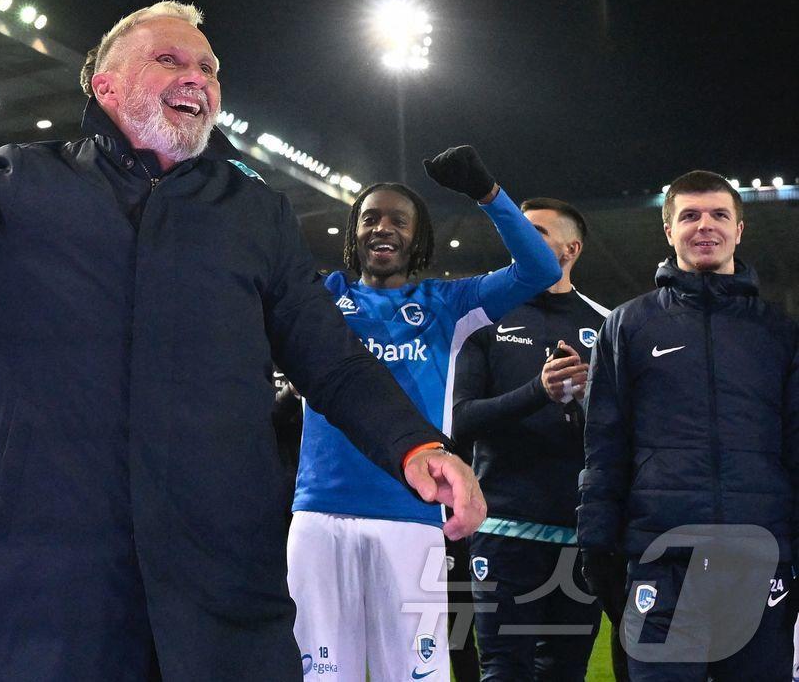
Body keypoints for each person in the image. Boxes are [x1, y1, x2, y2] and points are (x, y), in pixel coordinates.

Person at [0, 0, 483, 680]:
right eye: (171, 59)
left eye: (211, 69)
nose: (199, 78)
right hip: (49, 597)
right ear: (106, 83)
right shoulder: (25, 184)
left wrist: (415, 446)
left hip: (221, 593)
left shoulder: (256, 215)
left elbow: (330, 358)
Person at [288, 157, 560, 681]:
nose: (382, 228)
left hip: (409, 515)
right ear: (354, 233)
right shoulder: (323, 298)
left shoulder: (448, 303)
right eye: (370, 219)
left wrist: (488, 191)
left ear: (418, 238)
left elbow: (541, 270)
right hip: (319, 515)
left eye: (398, 220)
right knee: (317, 676)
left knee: (413, 675)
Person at [579, 170, 799, 681]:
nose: (706, 226)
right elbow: (604, 444)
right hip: (662, 558)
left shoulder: (778, 332)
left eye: (720, 215)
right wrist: (596, 542)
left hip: (758, 560)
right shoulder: (629, 325)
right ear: (668, 229)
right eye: (690, 215)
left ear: (739, 230)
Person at [452, 197, 611, 681]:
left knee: (565, 672)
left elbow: (618, 436)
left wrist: (583, 403)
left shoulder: (607, 326)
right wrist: (538, 391)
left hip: (578, 535)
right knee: (504, 671)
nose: (520, 238)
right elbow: (458, 421)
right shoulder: (482, 318)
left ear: (571, 248)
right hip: (502, 530)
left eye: (538, 232)